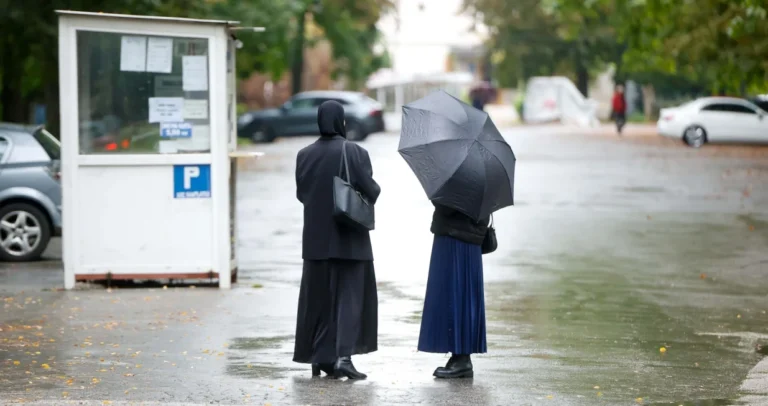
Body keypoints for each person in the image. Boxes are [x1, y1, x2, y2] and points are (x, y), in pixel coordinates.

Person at [293, 100, 381, 380]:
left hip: (316, 241)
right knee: (350, 299)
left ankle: (320, 358)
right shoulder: (355, 151)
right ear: (342, 122)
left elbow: (301, 194)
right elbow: (371, 191)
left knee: (318, 300)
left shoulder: (304, 154)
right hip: (350, 239)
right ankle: (344, 357)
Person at [418, 203, 489, 378]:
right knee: (462, 294)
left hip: (456, 236)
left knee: (455, 294)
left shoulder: (458, 183)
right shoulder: (483, 179)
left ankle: (462, 358)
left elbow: (447, 204)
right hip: (468, 237)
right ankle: (461, 357)